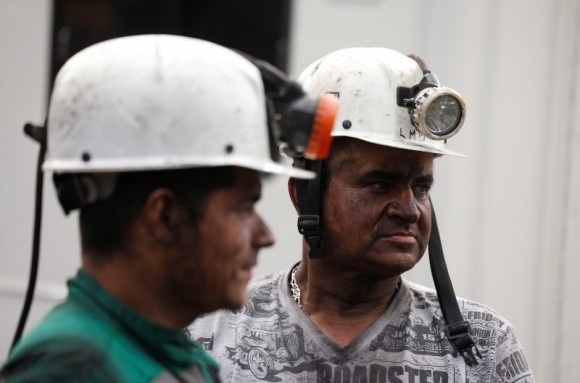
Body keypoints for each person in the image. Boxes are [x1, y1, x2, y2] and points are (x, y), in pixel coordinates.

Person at [187, 47, 536, 382]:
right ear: (303, 195)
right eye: (379, 184)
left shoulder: (486, 343)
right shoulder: (208, 329)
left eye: (421, 187)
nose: (409, 210)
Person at [1, 34, 336, 382]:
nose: (265, 236)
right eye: (244, 207)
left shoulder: (170, 352)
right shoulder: (71, 368)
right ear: (165, 216)